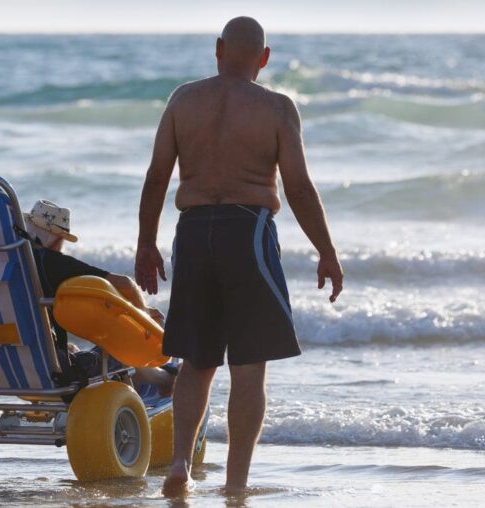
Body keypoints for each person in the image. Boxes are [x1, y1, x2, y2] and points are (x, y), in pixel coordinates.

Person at [134, 16, 344, 495]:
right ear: (264, 58)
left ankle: (180, 464)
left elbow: (156, 177)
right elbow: (298, 187)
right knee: (249, 366)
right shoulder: (277, 107)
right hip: (247, 232)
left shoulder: (182, 100)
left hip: (192, 232)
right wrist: (327, 251)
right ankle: (235, 484)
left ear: (218, 49)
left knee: (196, 359)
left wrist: (146, 243)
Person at [23, 200, 176, 391]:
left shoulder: (6, 264)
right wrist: (144, 313)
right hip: (57, 373)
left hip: (11, 370)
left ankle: (154, 378)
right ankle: (166, 381)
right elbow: (125, 284)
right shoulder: (52, 262)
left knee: (73, 350)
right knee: (122, 346)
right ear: (57, 239)